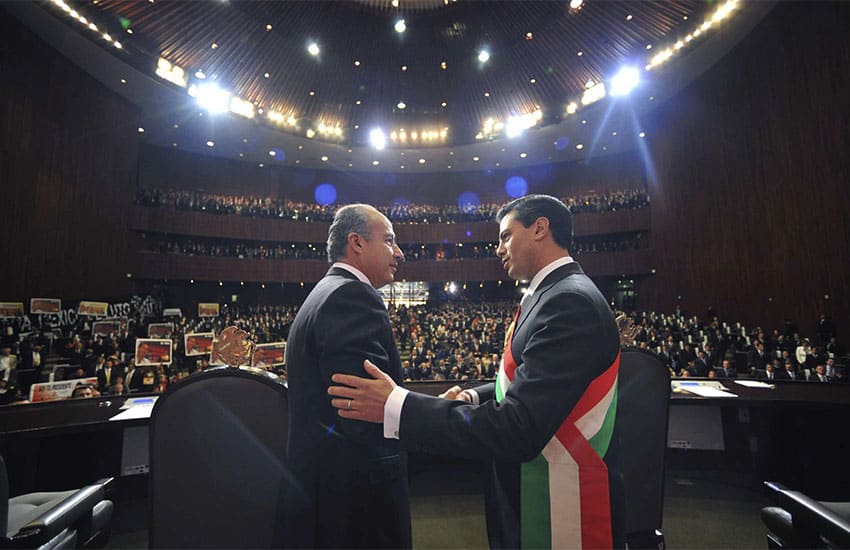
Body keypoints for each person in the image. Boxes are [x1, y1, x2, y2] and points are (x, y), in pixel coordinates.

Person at [329, 195, 623, 549]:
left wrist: (397, 406)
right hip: (534, 490)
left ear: (540, 229)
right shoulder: (550, 294)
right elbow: (525, 381)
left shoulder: (568, 302)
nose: (498, 248)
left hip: (562, 506)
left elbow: (518, 427)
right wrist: (474, 395)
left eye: (505, 236)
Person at [282, 204, 410, 549]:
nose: (399, 252)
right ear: (356, 242)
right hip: (357, 507)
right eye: (389, 240)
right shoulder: (352, 296)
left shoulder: (324, 291)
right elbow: (364, 412)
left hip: (327, 495)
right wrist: (419, 413)